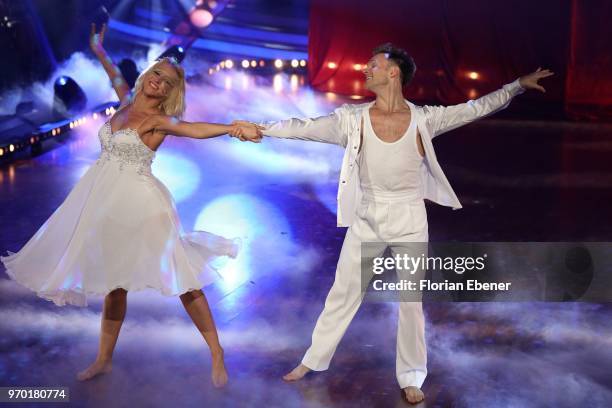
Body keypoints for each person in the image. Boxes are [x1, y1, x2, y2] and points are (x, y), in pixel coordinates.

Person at [234, 43, 553, 404]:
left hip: (410, 220)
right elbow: (304, 127)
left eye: (372, 64)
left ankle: (412, 376)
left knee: (410, 301)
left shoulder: (425, 118)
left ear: (393, 72)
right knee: (343, 294)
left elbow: (475, 108)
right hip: (367, 218)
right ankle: (312, 360)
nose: (365, 70)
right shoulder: (351, 120)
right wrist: (260, 129)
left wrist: (516, 86)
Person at [1, 24, 261, 388]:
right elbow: (112, 75)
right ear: (146, 75)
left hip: (144, 206)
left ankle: (217, 352)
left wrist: (233, 127)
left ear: (170, 92)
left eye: (168, 82)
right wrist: (98, 48)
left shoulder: (159, 121)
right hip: (106, 203)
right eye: (157, 74)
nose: (159, 82)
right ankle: (104, 360)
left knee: (184, 280)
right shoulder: (125, 102)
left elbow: (196, 128)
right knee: (115, 284)